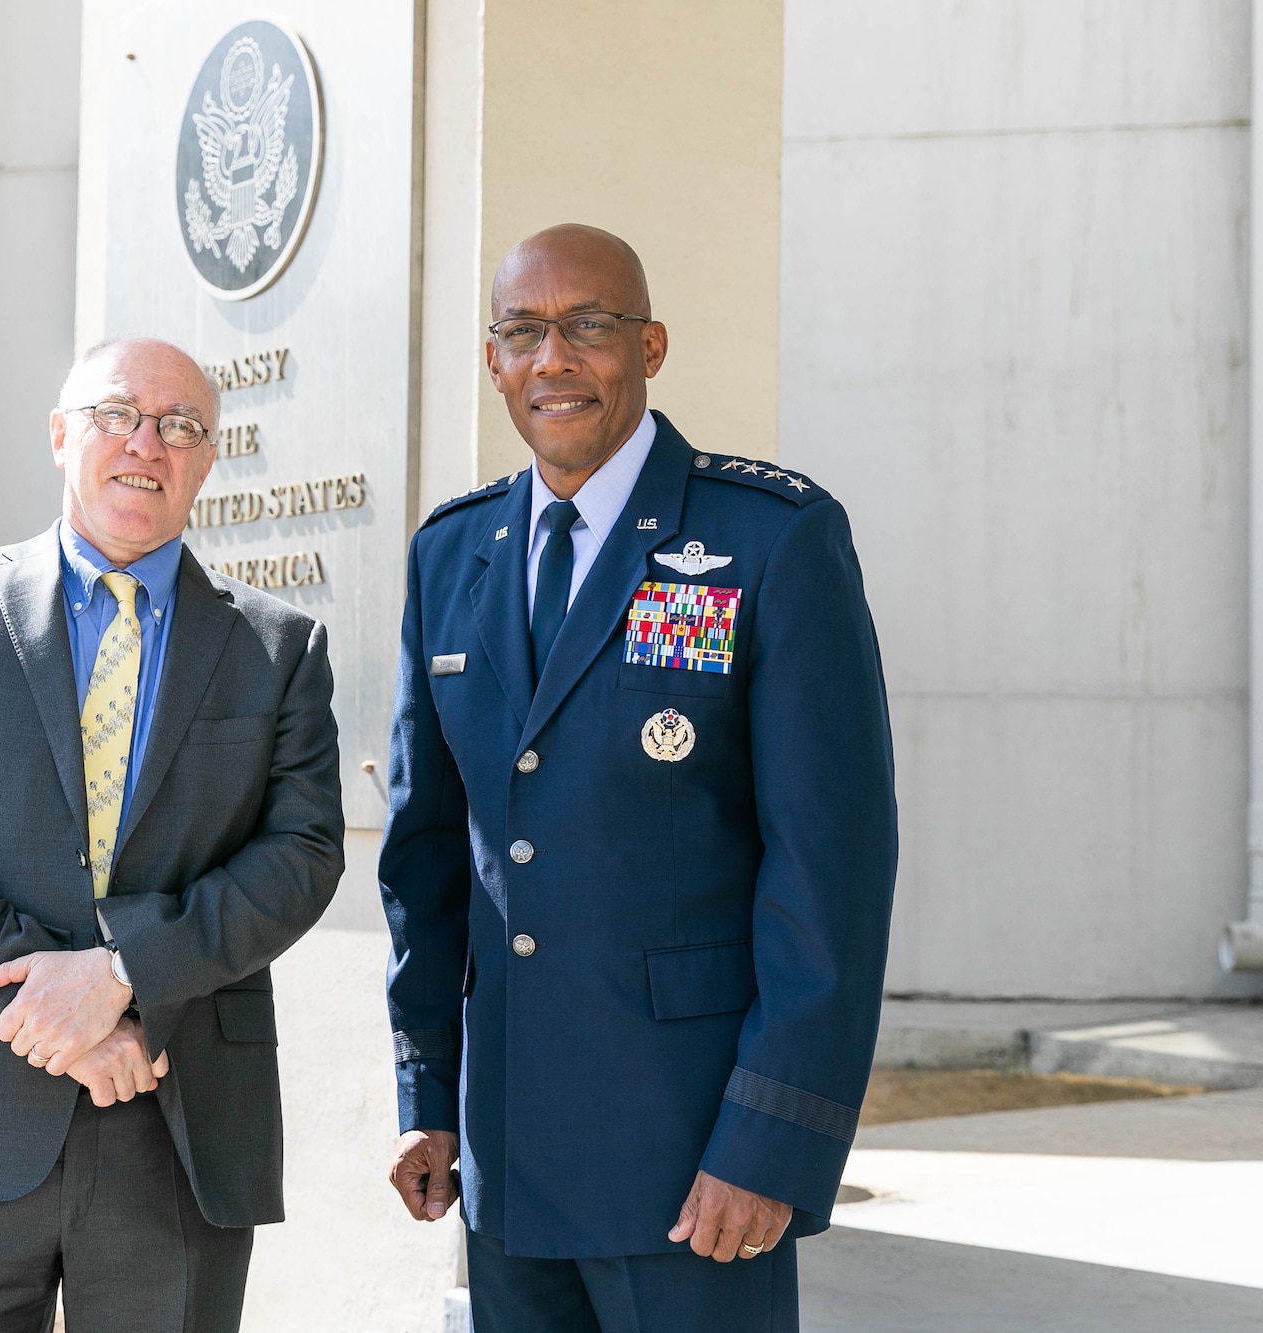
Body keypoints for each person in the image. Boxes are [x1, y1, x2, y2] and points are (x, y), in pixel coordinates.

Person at [379, 225, 898, 1331]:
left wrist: (771, 1140)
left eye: (588, 326)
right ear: (492, 361)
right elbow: (426, 856)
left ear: (649, 345)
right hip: (507, 1158)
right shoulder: (449, 555)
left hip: (692, 1163)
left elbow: (829, 873)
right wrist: (426, 1095)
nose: (552, 359)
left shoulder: (767, 540)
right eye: (521, 330)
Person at [0, 337, 344, 1333]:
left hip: (177, 1115)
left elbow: (301, 856)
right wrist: (48, 1003)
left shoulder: (277, 648)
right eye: (117, 413)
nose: (145, 442)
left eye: (180, 425)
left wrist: (118, 975)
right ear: (62, 434)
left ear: (205, 459)